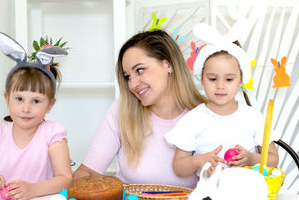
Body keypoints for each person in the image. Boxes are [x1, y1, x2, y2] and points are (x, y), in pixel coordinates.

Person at [72, 30, 207, 188]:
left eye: (140, 70)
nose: (132, 84)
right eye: (128, 76)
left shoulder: (207, 116)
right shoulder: (122, 111)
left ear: (168, 65)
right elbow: (86, 173)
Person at [165, 23, 279, 176]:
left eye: (229, 79)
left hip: (249, 193)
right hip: (210, 195)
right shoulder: (193, 119)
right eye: (212, 79)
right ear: (202, 79)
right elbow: (178, 167)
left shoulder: (253, 118)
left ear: (240, 81)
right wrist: (198, 160)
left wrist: (251, 158)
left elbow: (273, 160)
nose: (220, 86)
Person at [0, 32, 72, 200]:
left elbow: (65, 180)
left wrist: (33, 189)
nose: (26, 108)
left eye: (36, 101)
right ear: (7, 98)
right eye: (19, 99)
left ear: (50, 105)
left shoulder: (52, 134)